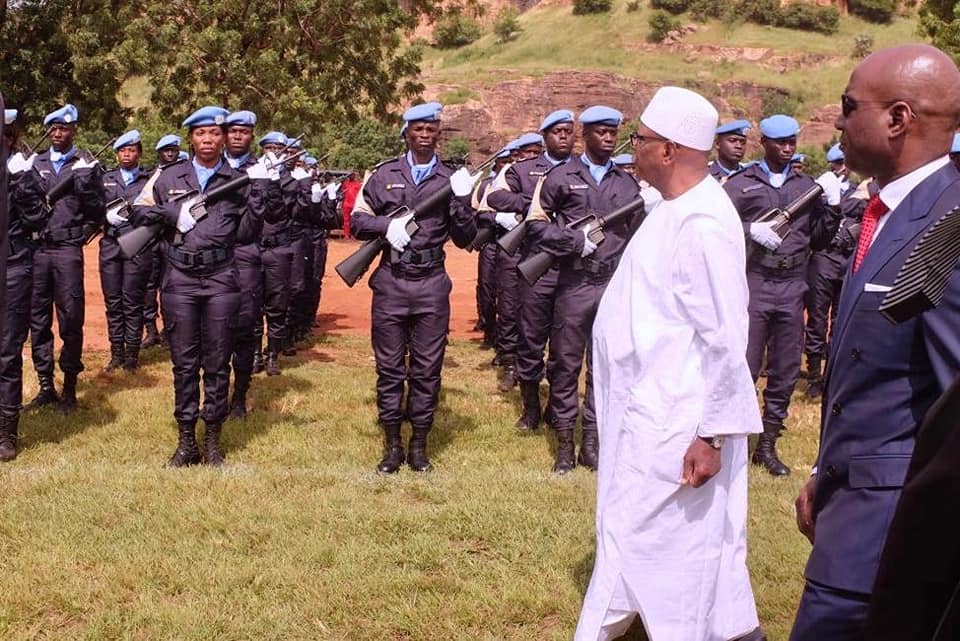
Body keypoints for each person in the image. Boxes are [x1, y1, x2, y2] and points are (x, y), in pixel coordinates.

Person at [576, 86, 763, 641]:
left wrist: (713, 434)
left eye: (643, 140)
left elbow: (728, 338)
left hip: (678, 425)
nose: (633, 150)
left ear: (669, 150)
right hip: (649, 412)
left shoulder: (701, 223)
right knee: (642, 542)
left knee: (656, 548)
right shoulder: (674, 208)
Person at [790, 44, 960, 641]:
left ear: (898, 119)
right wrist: (826, 471)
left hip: (888, 537)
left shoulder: (950, 227)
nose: (837, 122)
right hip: (852, 502)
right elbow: (878, 375)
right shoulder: (889, 208)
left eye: (848, 105)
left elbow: (953, 412)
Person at [129, 106, 278, 467]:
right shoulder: (168, 176)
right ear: (190, 139)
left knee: (216, 362)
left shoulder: (237, 179)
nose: (207, 140)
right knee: (183, 363)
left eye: (214, 133)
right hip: (179, 279)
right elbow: (137, 211)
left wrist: (259, 188)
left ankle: (212, 441)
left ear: (224, 137)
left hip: (221, 279)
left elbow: (247, 233)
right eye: (200, 134)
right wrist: (172, 214)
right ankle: (185, 442)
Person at [350, 101, 478, 474]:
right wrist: (384, 228)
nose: (424, 134)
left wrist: (462, 200)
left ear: (439, 133)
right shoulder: (382, 173)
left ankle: (419, 445)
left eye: (431, 129)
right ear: (405, 132)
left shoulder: (450, 177)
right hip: (391, 280)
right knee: (390, 369)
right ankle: (392, 446)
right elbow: (358, 221)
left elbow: (466, 237)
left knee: (427, 368)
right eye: (417, 129)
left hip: (431, 285)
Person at [723, 114, 841, 477]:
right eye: (780, 143)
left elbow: (820, 239)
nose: (788, 148)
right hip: (755, 279)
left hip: (792, 282)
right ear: (765, 143)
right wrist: (749, 229)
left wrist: (832, 209)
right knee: (745, 363)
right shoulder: (741, 183)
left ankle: (769, 443)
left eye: (792, 142)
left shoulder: (805, 185)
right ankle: (735, 442)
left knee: (786, 368)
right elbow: (718, 226)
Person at [527, 105, 641, 473]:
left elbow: (639, 236)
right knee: (565, 363)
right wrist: (574, 243)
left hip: (610, 282)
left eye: (613, 133)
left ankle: (590, 440)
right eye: (601, 133)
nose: (608, 139)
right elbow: (535, 226)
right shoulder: (560, 177)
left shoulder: (627, 184)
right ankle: (563, 443)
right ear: (585, 135)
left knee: (603, 365)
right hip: (574, 281)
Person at [485, 109, 575, 430]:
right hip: (535, 263)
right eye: (557, 132)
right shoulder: (522, 169)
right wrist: (532, 205)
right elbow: (494, 196)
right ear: (545, 136)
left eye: (569, 131)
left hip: (571, 267)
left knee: (565, 345)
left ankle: (556, 406)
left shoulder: (582, 171)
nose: (564, 136)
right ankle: (531, 408)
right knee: (531, 338)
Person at [28, 104, 105, 413]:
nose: (58, 133)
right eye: (54, 128)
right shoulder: (34, 163)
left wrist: (84, 181)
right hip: (36, 250)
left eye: (65, 128)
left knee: (71, 318)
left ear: (74, 131)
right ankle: (46, 385)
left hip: (67, 252)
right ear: (48, 131)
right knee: (38, 319)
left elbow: (97, 208)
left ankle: (70, 387)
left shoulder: (86, 164)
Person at [801, 143, 866, 399]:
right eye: (837, 165)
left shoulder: (858, 191)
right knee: (816, 318)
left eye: (845, 164)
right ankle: (814, 376)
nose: (842, 169)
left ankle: (832, 374)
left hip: (848, 258)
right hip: (824, 257)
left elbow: (862, 209)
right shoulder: (821, 191)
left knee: (840, 320)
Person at [0, 109, 46, 460]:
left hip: (13, 267)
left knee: (6, 352)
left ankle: (6, 433)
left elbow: (37, 218)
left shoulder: (20, 171)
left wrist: (22, 183)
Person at [489, 131, 543, 392]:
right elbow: (487, 205)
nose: (532, 156)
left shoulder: (552, 172)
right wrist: (502, 217)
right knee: (509, 308)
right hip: (512, 250)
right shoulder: (510, 172)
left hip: (541, 250)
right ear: (518, 154)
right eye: (528, 152)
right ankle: (510, 364)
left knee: (535, 313)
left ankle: (531, 364)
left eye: (537, 151)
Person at [99, 130, 153, 372]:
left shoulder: (149, 180)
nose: (127, 154)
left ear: (139, 153)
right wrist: (104, 215)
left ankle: (132, 355)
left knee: (133, 301)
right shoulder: (105, 178)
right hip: (110, 244)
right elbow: (92, 207)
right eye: (122, 150)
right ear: (117, 154)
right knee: (113, 301)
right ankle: (116, 353)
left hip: (136, 243)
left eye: (131, 150)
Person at [142, 133, 183, 350]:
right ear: (159, 153)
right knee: (148, 285)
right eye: (166, 150)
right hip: (150, 236)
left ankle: (169, 331)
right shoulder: (150, 176)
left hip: (173, 236)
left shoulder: (186, 175)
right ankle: (150, 330)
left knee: (170, 285)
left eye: (173, 150)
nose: (170, 153)